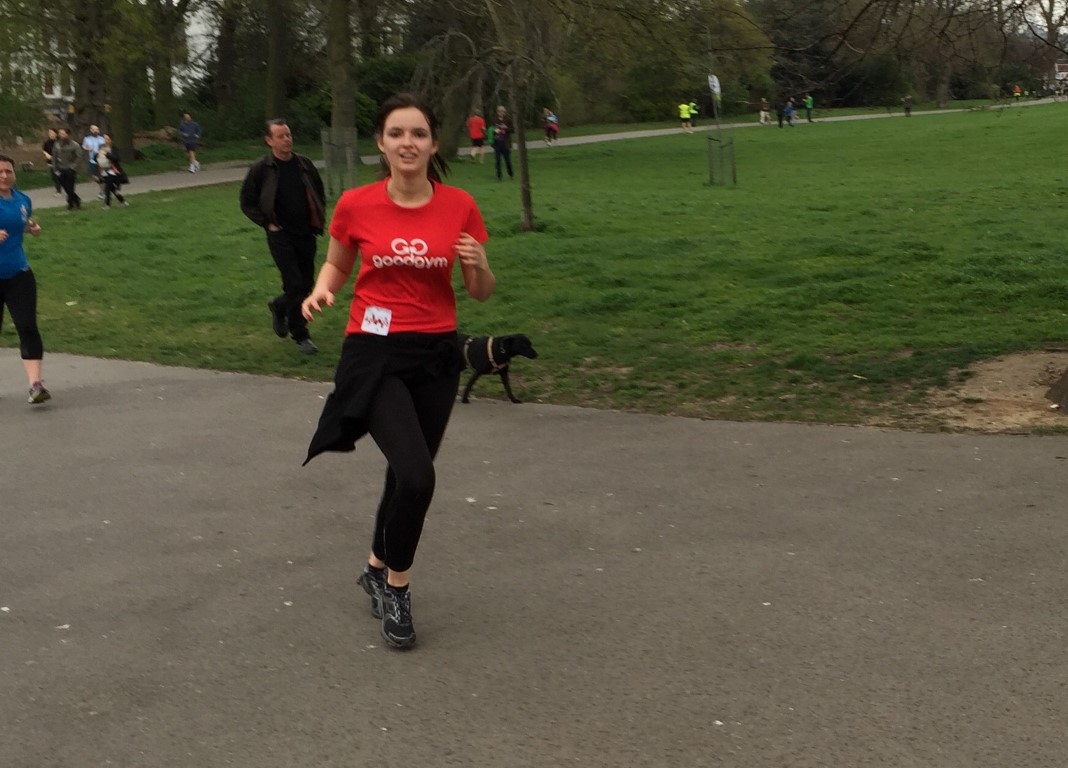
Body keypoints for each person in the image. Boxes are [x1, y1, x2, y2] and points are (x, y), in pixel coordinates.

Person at [300, 93, 496, 650]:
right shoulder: (357, 204)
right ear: (381, 144)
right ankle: (396, 587)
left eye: (417, 134)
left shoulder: (458, 204)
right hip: (375, 349)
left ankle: (374, 563)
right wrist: (321, 290)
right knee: (417, 475)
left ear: (433, 144)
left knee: (405, 470)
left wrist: (481, 268)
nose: (407, 143)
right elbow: (338, 262)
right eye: (396, 133)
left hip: (435, 353)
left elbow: (479, 294)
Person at [239, 118, 326, 355]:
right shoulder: (261, 169)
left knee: (307, 284)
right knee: (294, 283)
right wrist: (267, 223)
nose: (287, 139)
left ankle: (279, 306)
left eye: (288, 135)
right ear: (269, 141)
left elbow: (318, 193)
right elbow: (247, 202)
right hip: (280, 236)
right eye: (281, 136)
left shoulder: (304, 165)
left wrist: (317, 219)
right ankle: (301, 336)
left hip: (306, 233)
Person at [0, 154, 50, 404]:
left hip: (19, 274)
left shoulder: (23, 199)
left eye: (8, 171)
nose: (4, 176)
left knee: (28, 326)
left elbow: (22, 221)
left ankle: (36, 385)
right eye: (0, 172)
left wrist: (31, 227)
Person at [52, 128, 82, 210]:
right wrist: (55, 169)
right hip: (60, 168)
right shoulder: (57, 144)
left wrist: (73, 167)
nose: (61, 135)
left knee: (70, 186)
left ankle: (71, 204)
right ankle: (76, 199)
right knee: (65, 187)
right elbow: (54, 157)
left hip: (70, 168)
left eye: (63, 133)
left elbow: (78, 157)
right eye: (60, 133)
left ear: (67, 135)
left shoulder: (74, 145)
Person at [96, 135, 129, 209]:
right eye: (104, 139)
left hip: (113, 170)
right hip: (104, 170)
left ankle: (107, 205)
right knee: (111, 188)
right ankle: (122, 201)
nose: (105, 140)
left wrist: (107, 154)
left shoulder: (113, 148)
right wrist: (97, 156)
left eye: (107, 139)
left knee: (108, 188)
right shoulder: (101, 148)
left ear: (110, 140)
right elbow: (97, 158)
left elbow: (116, 158)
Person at [491, 105, 514, 181]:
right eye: (500, 111)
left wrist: (506, 128)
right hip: (497, 143)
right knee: (497, 161)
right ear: (497, 112)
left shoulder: (508, 120)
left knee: (507, 160)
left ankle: (510, 173)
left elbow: (512, 130)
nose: (501, 113)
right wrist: (495, 131)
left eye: (503, 111)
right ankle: (499, 176)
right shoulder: (495, 120)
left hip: (505, 143)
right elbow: (492, 129)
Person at [81, 124, 105, 189]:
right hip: (92, 159)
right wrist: (88, 149)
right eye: (94, 129)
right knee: (94, 175)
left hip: (101, 158)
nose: (96, 131)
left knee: (101, 174)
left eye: (97, 129)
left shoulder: (102, 139)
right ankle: (101, 183)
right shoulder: (87, 139)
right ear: (91, 130)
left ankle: (103, 188)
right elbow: (83, 147)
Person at [41, 128, 63, 196]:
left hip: (60, 162)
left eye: (52, 133)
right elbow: (44, 150)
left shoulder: (60, 142)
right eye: (49, 133)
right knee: (55, 177)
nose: (50, 134)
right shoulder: (47, 142)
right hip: (51, 162)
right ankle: (58, 191)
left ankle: (63, 189)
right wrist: (46, 154)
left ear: (56, 134)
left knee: (59, 176)